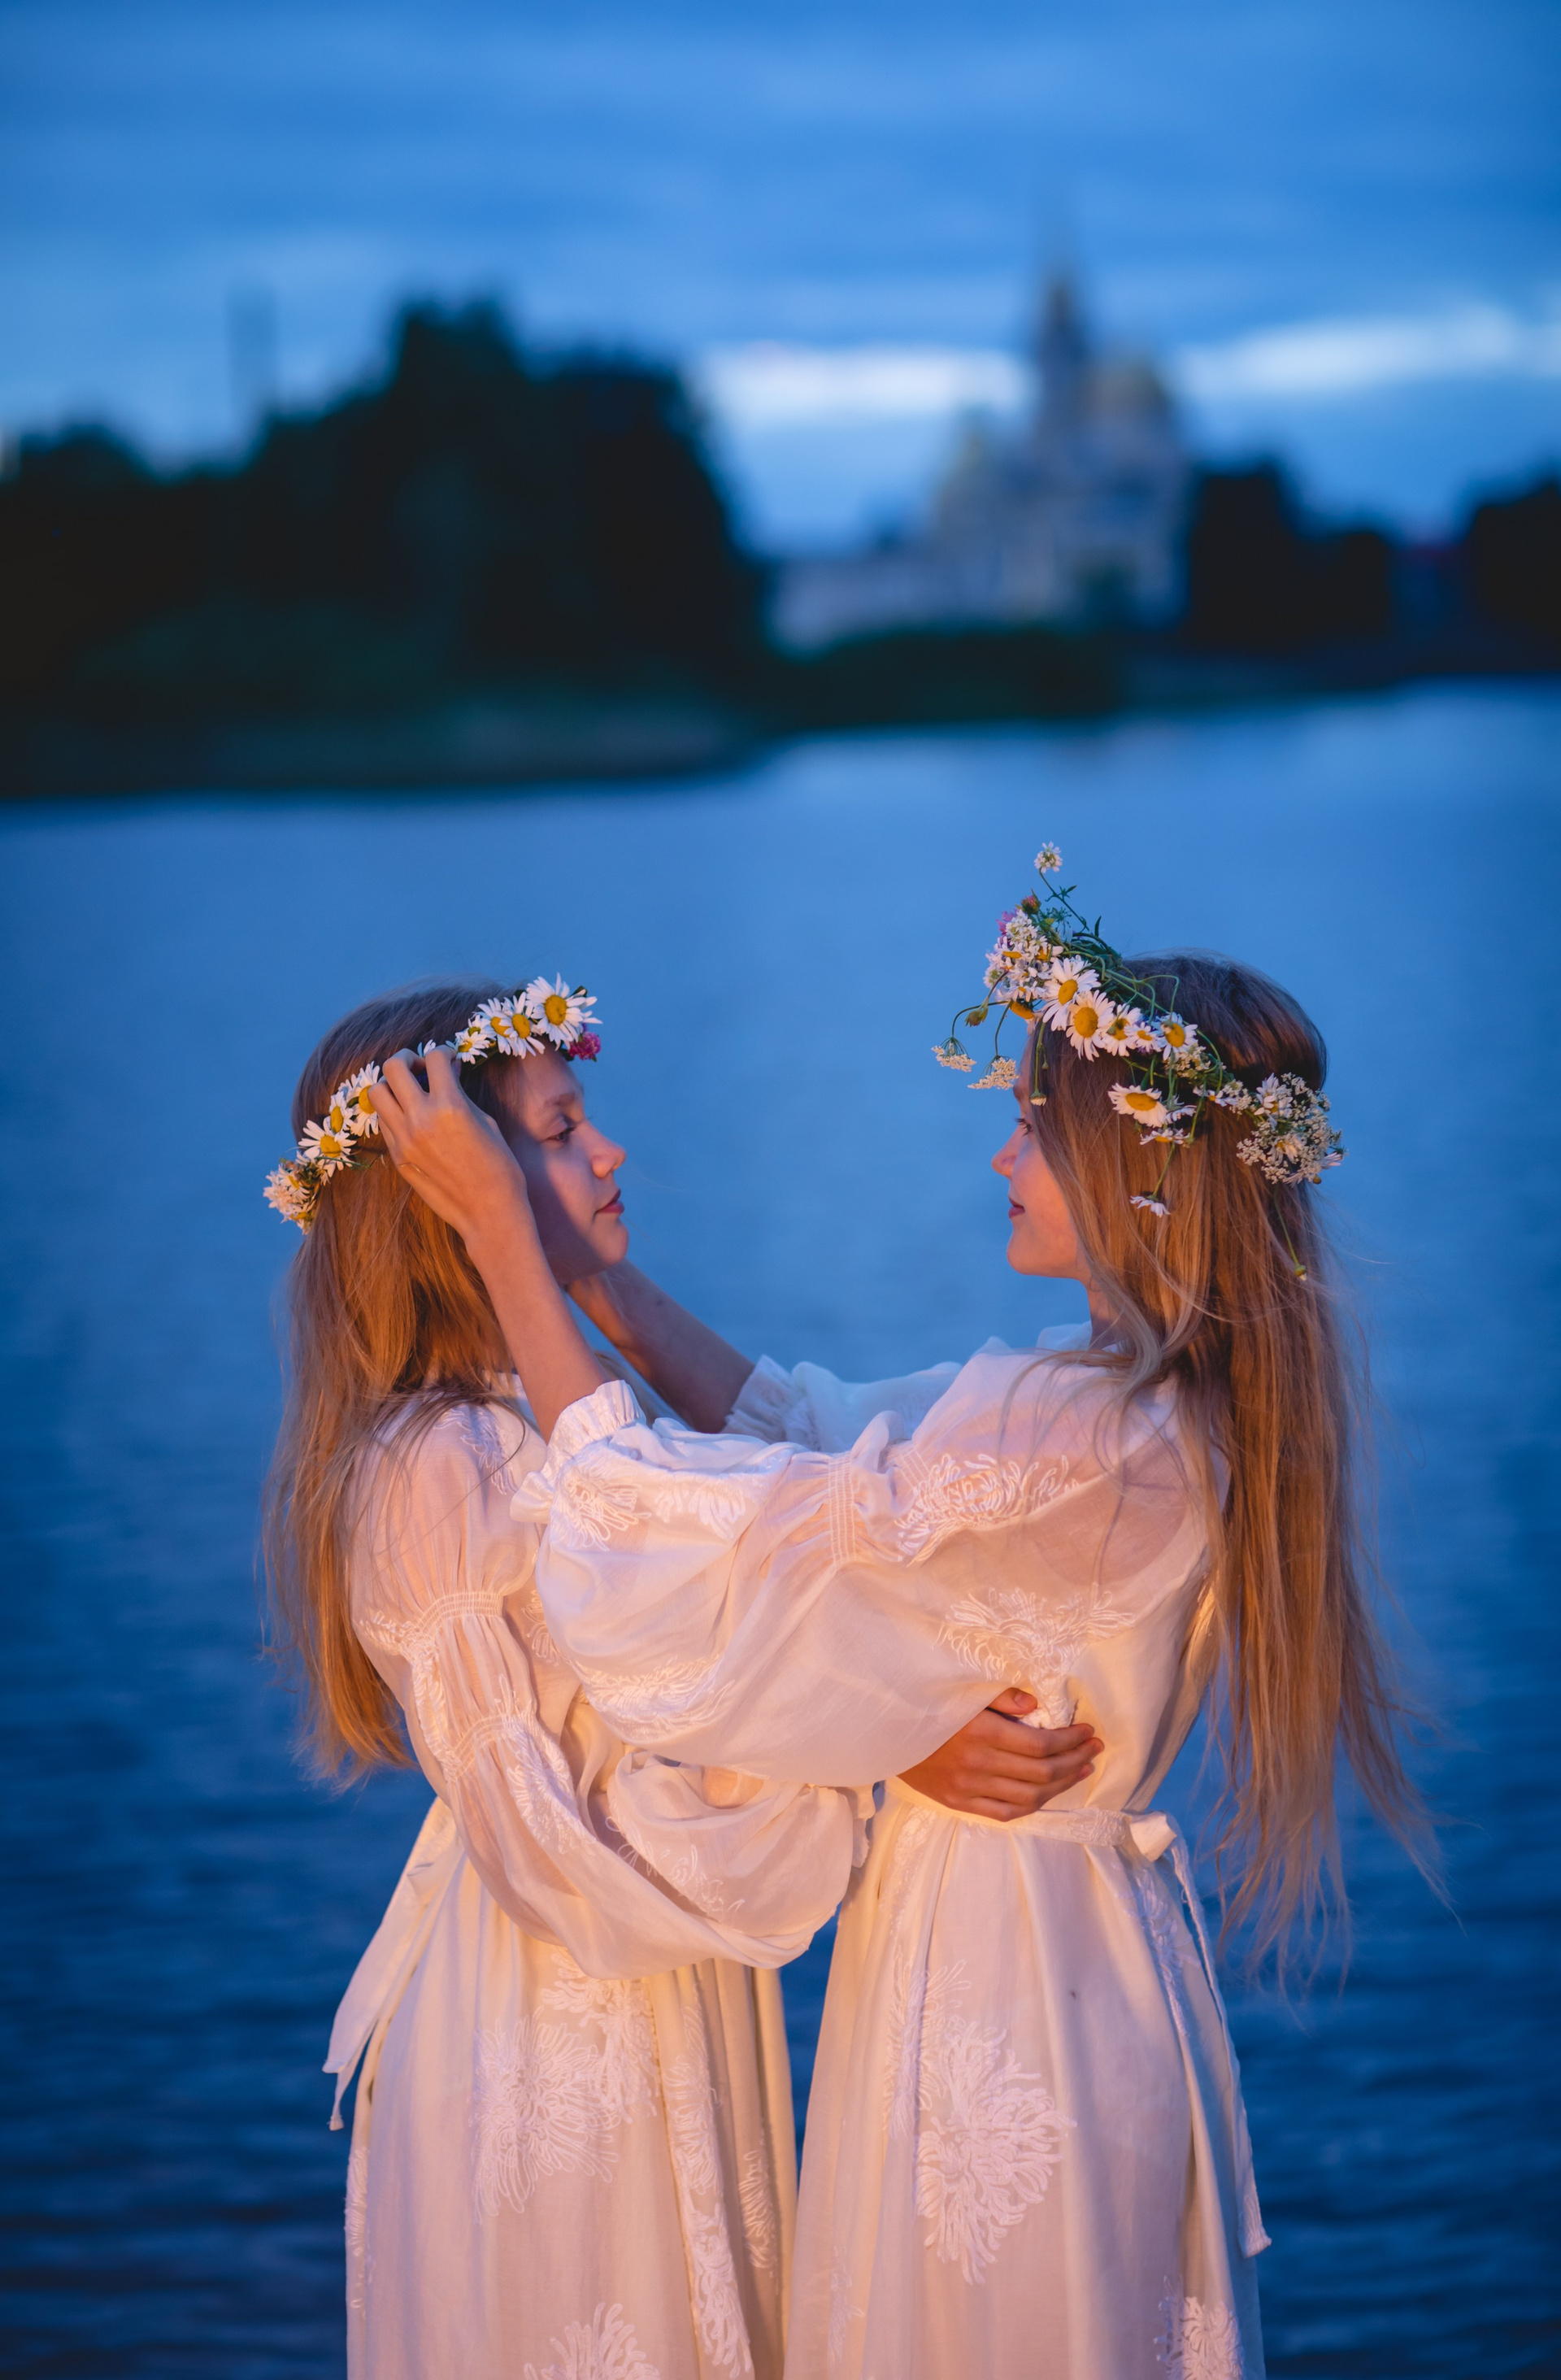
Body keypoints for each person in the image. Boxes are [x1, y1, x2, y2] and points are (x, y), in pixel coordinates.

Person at [366, 855, 1430, 2380]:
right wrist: (599, 1288)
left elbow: (687, 1527)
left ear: (1136, 1168)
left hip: (1010, 1969)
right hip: (1017, 1936)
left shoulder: (1088, 1432)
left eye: (1034, 1125)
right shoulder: (1111, 1395)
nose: (1003, 1153)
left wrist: (506, 1245)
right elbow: (807, 1445)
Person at [262, 972, 1094, 2380]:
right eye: (562, 1129)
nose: (611, 1150)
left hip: (670, 1998)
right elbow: (555, 1854)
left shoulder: (572, 1416)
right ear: (452, 1186)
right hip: (552, 2028)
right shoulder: (434, 1472)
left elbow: (779, 1575)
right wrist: (880, 1751)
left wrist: (884, 1708)